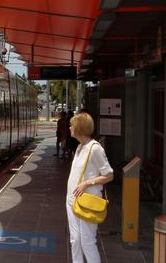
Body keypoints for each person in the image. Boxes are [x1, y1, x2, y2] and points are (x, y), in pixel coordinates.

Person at [66, 112, 114, 263]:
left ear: (79, 128)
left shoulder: (95, 148)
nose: (69, 127)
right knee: (75, 240)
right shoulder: (80, 147)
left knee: (87, 242)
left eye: (72, 125)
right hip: (72, 200)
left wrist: (87, 183)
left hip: (87, 202)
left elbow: (109, 175)